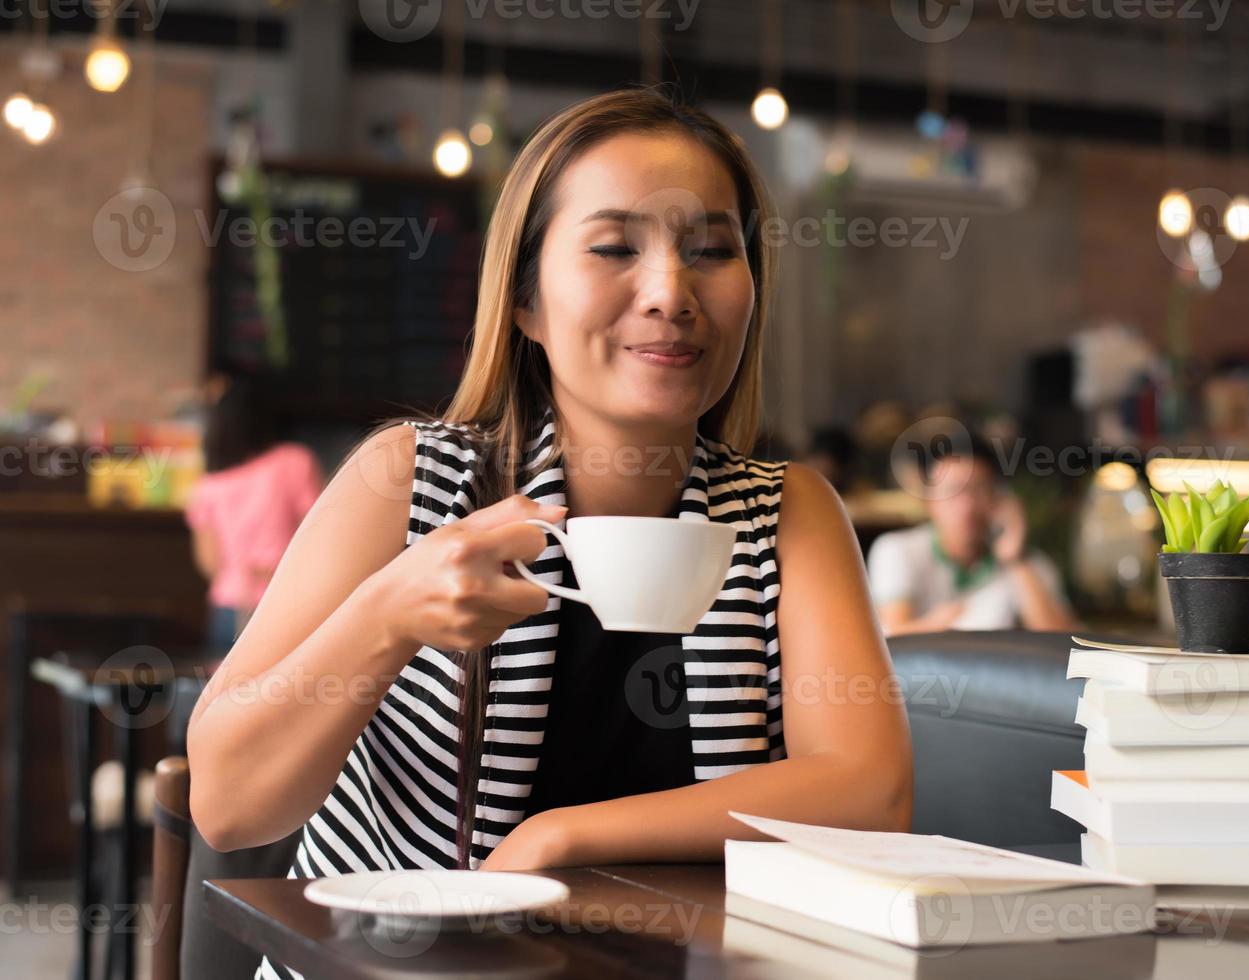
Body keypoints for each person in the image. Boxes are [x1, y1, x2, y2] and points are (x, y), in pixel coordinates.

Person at [185, 92, 913, 979]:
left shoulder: (789, 512)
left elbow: (870, 791)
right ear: (525, 300)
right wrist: (389, 617)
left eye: (713, 251)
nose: (670, 293)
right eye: (613, 248)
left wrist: (560, 837)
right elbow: (227, 805)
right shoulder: (408, 480)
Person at [868, 437, 1076, 635]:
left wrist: (1016, 561)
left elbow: (1063, 648)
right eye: (953, 491)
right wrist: (943, 622)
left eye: (978, 490)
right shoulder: (897, 550)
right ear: (929, 501)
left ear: (999, 498)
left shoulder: (1028, 563)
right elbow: (893, 638)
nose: (967, 506)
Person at [185, 377, 323, 650]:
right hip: (286, 602)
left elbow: (209, 562)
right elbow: (321, 533)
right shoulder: (294, 461)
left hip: (229, 606)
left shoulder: (209, 485)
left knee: (226, 690)